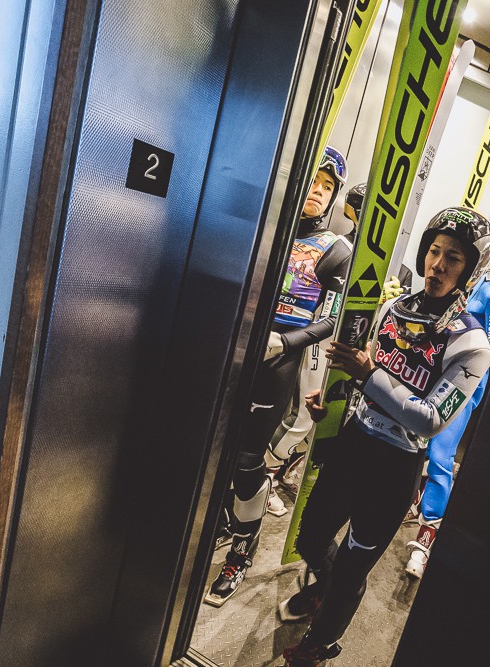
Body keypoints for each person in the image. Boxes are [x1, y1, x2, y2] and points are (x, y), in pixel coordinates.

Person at [276, 207, 490, 666]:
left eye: (453, 258)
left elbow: (430, 419)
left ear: (470, 269)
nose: (437, 265)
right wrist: (329, 400)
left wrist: (368, 373)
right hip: (353, 443)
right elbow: (361, 372)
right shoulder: (395, 309)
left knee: (354, 566)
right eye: (433, 251)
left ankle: (320, 643)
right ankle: (328, 588)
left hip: (395, 468)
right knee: (311, 537)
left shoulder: (472, 344)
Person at [205, 146, 350, 607]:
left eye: (327, 187)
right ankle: (225, 522)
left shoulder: (335, 249)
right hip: (234, 348)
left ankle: (243, 549)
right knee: (214, 449)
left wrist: (285, 343)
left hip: (277, 357)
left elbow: (333, 318)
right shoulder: (268, 229)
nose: (318, 192)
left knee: (247, 459)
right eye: (314, 181)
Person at [404, 214, 490, 578]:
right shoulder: (479, 280)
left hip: (460, 385)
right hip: (434, 371)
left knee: (440, 456)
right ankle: (412, 501)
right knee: (414, 442)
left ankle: (427, 535)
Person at [265, 181, 368, 517]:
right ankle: (263, 475)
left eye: (327, 186)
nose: (319, 191)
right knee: (300, 417)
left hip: (336, 345)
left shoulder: (358, 254)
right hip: (306, 337)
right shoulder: (336, 245)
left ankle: (268, 473)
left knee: (313, 419)